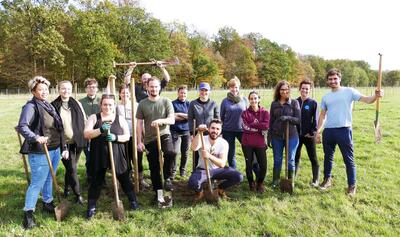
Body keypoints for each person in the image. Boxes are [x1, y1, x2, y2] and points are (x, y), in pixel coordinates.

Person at [316, 68, 383, 197]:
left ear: (340, 79)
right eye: (330, 79)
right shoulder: (326, 97)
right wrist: (318, 131)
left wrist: (376, 95)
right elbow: (322, 115)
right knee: (327, 157)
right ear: (327, 81)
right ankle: (327, 180)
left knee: (349, 159)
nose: (333, 81)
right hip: (329, 131)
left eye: (335, 78)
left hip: (344, 130)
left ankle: (352, 186)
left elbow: (367, 100)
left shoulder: (349, 92)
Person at [17, 76, 68, 229]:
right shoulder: (31, 106)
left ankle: (47, 202)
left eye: (46, 89)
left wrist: (63, 147)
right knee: (37, 183)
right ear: (33, 91)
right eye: (40, 89)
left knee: (48, 179)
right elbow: (22, 126)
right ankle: (28, 215)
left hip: (54, 149)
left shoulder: (47, 105)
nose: (44, 92)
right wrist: (36, 137)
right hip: (40, 151)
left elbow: (59, 128)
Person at [84, 94, 138, 219]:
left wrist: (116, 137)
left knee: (124, 177)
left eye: (110, 104)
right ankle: (91, 206)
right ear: (101, 105)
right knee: (96, 180)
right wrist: (100, 130)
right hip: (99, 154)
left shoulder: (120, 119)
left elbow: (127, 136)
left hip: (117, 153)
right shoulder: (94, 118)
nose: (107, 107)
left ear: (114, 106)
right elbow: (86, 134)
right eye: (105, 104)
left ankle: (133, 201)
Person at [136, 77, 176, 202]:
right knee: (154, 168)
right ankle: (158, 194)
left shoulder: (166, 101)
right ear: (147, 87)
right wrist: (139, 141)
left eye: (156, 86)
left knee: (170, 153)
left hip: (164, 134)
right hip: (149, 139)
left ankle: (168, 178)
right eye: (151, 86)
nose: (154, 89)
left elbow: (172, 119)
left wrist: (161, 121)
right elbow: (139, 124)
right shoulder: (142, 104)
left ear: (160, 87)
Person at [188, 119, 243, 201]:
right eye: (213, 128)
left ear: (221, 131)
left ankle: (220, 188)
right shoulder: (202, 139)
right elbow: (193, 148)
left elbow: (222, 164)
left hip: (219, 170)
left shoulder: (223, 143)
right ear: (209, 129)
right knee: (193, 183)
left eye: (218, 129)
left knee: (238, 176)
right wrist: (199, 133)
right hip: (203, 170)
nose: (215, 131)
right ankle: (200, 192)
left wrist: (209, 156)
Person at [51, 81, 86, 204]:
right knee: (72, 168)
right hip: (63, 143)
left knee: (72, 167)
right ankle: (78, 195)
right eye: (63, 88)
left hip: (78, 141)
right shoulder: (53, 105)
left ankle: (67, 189)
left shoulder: (77, 103)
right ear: (58, 89)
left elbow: (84, 120)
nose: (66, 91)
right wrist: (62, 145)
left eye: (68, 89)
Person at [268, 80, 300, 188]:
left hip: (291, 136)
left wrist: (288, 118)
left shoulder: (294, 103)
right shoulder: (274, 104)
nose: (284, 91)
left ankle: (290, 181)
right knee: (277, 159)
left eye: (286, 89)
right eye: (282, 89)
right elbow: (271, 121)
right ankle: (275, 181)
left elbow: (298, 120)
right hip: (277, 136)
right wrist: (269, 136)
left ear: (289, 90)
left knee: (290, 159)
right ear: (278, 90)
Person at [117, 84, 150, 190]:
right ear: (119, 94)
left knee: (138, 158)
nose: (125, 94)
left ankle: (140, 179)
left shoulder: (136, 105)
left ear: (130, 94)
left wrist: (142, 138)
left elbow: (141, 122)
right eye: (123, 93)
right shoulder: (117, 107)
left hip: (135, 136)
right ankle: (129, 179)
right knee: (126, 159)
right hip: (123, 137)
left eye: (127, 93)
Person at [241, 91, 270, 193]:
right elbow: (245, 127)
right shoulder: (245, 113)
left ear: (259, 99)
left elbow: (266, 126)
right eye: (251, 99)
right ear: (249, 100)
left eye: (255, 98)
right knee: (249, 165)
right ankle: (251, 183)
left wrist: (252, 124)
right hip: (247, 143)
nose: (253, 100)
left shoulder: (265, 112)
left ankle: (260, 183)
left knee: (263, 166)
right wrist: (258, 127)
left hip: (260, 143)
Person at [187, 82, 220, 168]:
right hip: (198, 133)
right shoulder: (193, 104)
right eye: (202, 90)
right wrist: (191, 133)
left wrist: (218, 132)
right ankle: (196, 172)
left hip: (211, 133)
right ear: (199, 91)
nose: (204, 92)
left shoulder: (213, 103)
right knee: (196, 154)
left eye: (206, 90)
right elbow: (190, 119)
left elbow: (218, 119)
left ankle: (211, 173)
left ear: (209, 92)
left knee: (211, 154)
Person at [294, 79, 320, 187]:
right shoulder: (295, 102)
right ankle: (293, 177)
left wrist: (313, 132)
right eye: (303, 88)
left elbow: (316, 119)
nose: (304, 90)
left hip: (309, 136)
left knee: (313, 158)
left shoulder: (313, 103)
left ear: (310, 90)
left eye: (307, 89)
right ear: (299, 89)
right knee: (295, 157)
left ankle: (315, 180)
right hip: (296, 135)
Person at [220, 77, 248, 169]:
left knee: (248, 151)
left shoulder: (244, 100)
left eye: (236, 87)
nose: (234, 89)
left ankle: (252, 172)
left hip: (242, 130)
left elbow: (248, 114)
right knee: (231, 153)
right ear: (229, 88)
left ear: (239, 87)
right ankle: (233, 173)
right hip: (228, 130)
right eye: (232, 87)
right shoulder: (225, 101)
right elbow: (221, 117)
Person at [79, 78, 101, 181]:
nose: (91, 89)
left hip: (100, 133)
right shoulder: (80, 103)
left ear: (97, 89)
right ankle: (90, 176)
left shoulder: (101, 101)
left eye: (93, 87)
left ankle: (101, 177)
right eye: (89, 87)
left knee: (100, 157)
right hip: (87, 134)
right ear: (86, 89)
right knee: (89, 157)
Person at [170, 85, 190, 178]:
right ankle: (173, 171)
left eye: (185, 93)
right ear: (178, 93)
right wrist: (185, 116)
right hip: (175, 132)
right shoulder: (172, 103)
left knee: (185, 153)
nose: (183, 94)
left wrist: (179, 114)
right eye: (181, 92)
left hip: (186, 131)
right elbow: (172, 117)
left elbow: (191, 117)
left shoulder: (189, 104)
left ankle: (182, 171)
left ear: (187, 94)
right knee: (175, 152)